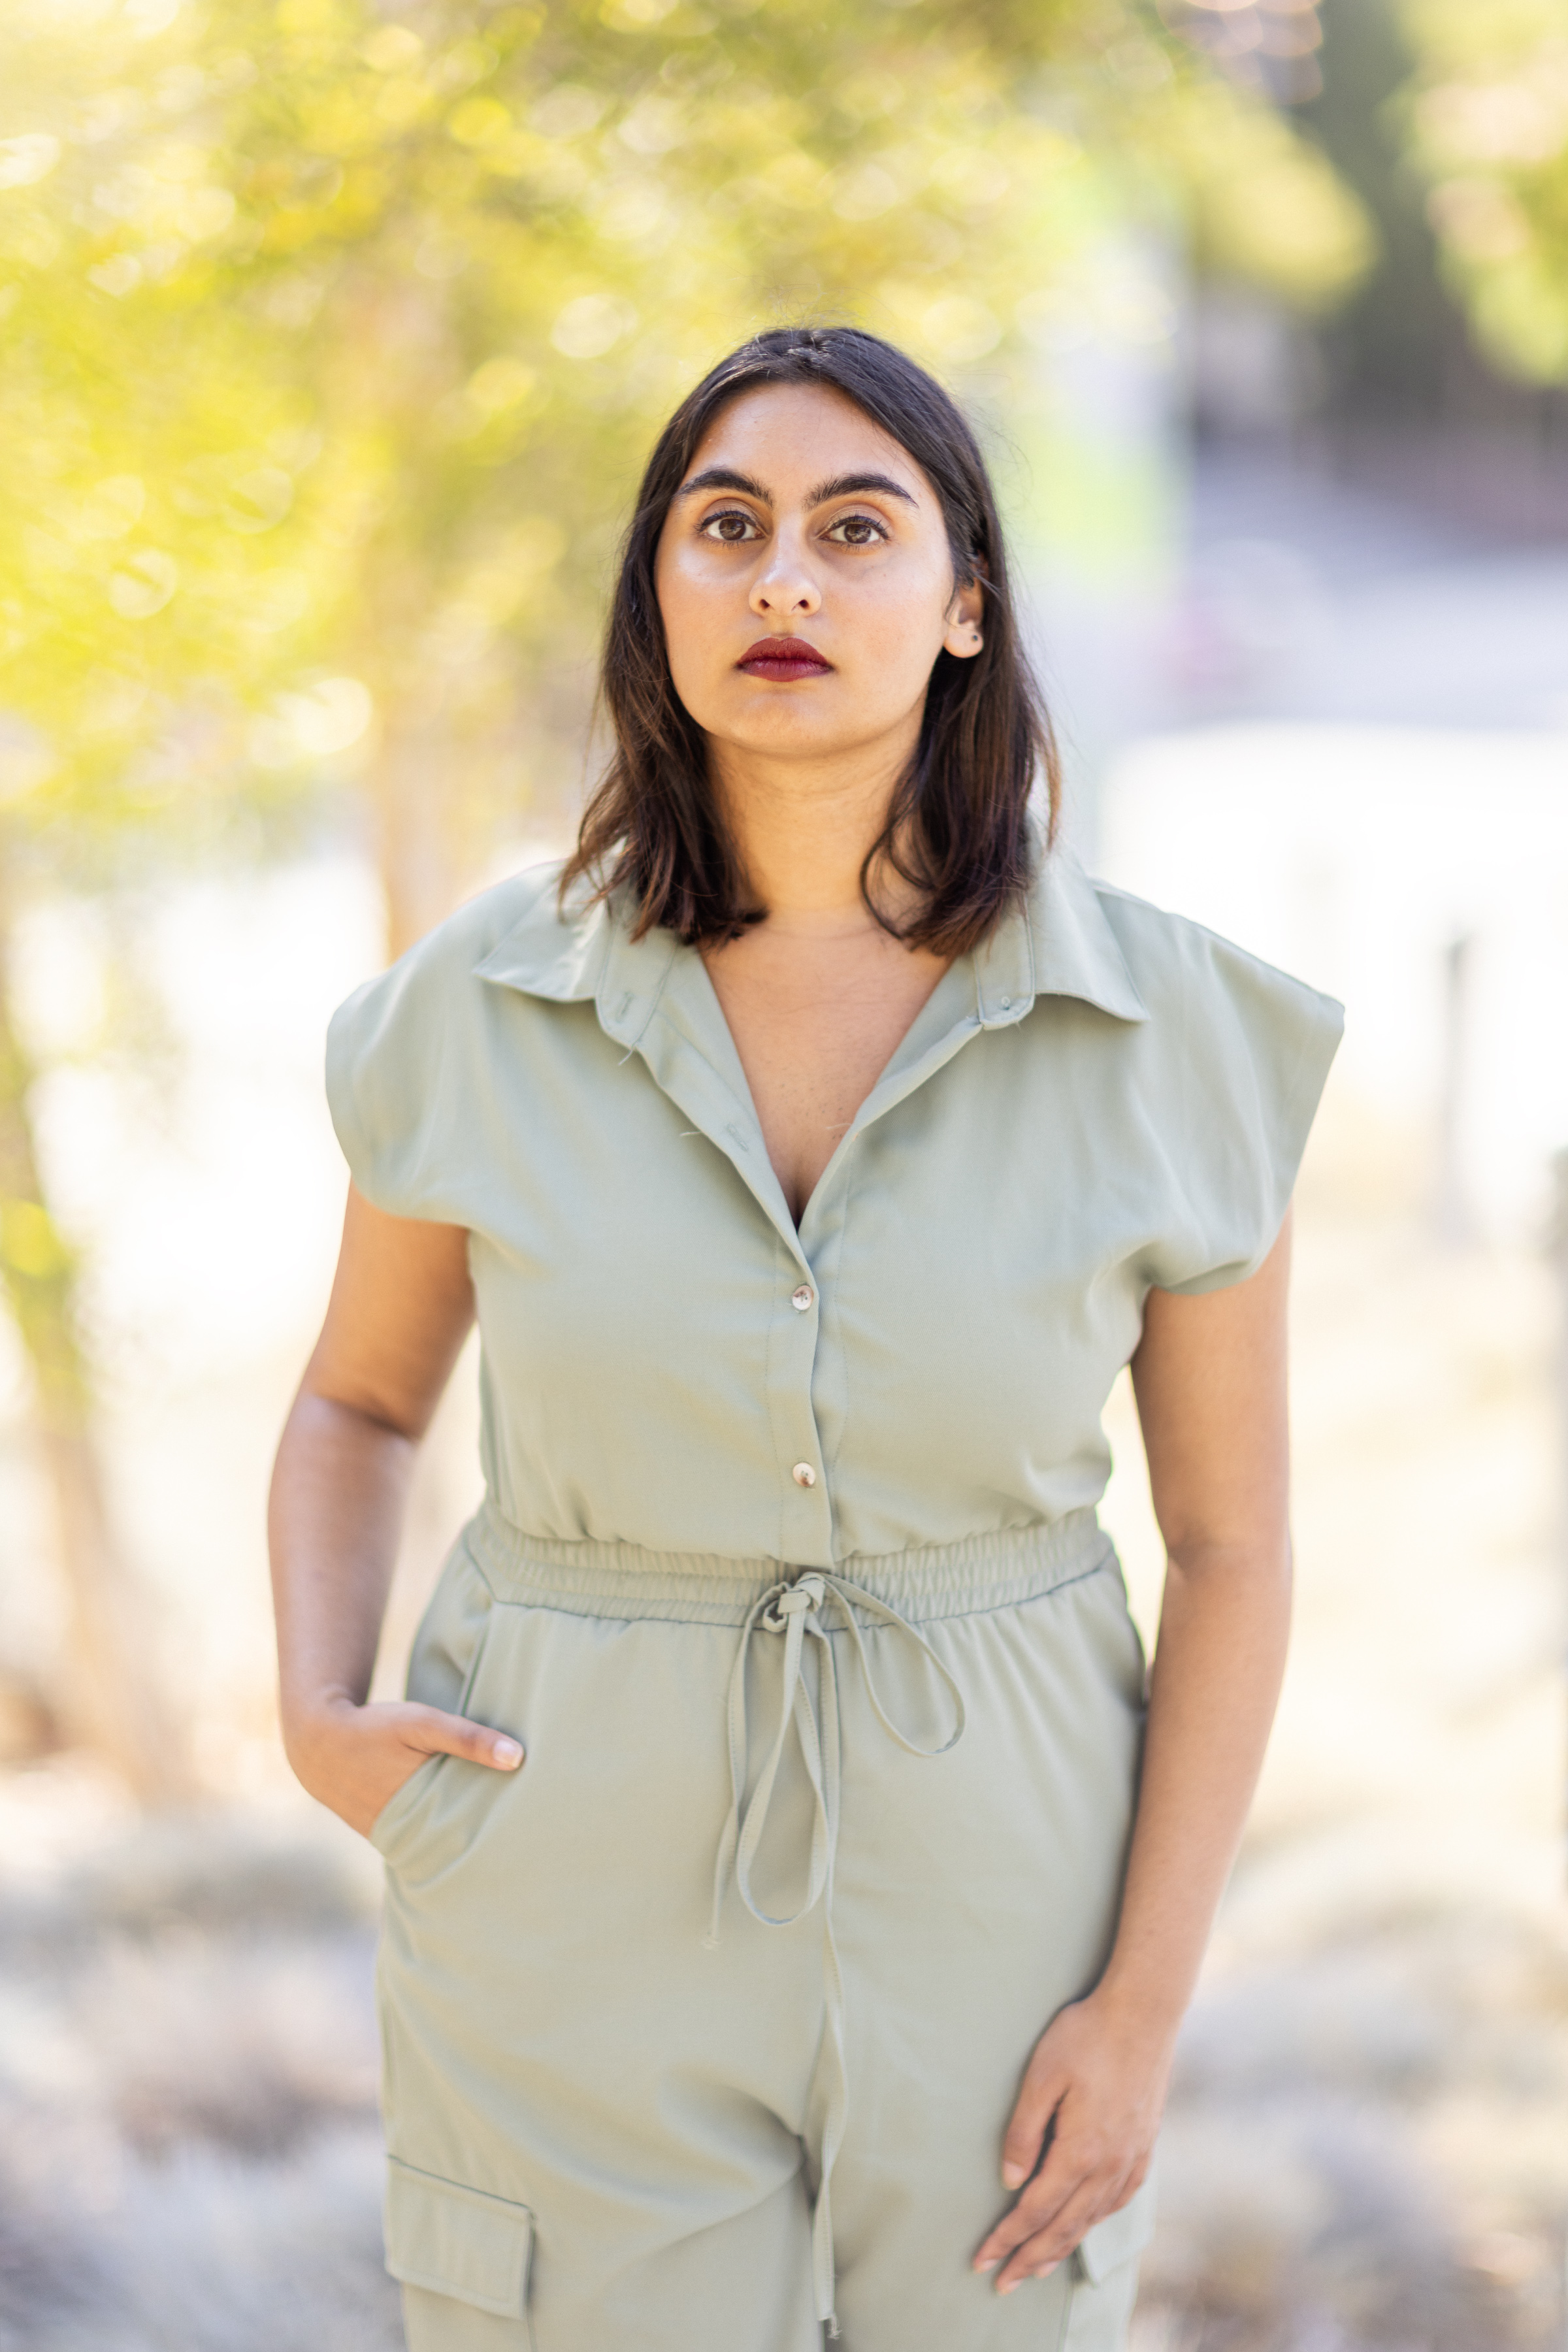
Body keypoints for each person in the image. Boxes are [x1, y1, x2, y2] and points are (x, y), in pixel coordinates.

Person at [269, 324, 1342, 2352]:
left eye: (858, 531)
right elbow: (353, 1397)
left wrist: (1142, 2007)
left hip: (1006, 1896)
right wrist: (319, 1712)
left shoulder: (1180, 1035)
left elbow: (1233, 1547)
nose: (782, 581)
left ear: (963, 609)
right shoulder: (477, 1008)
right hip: (561, 1878)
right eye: (726, 527)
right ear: (655, 595)